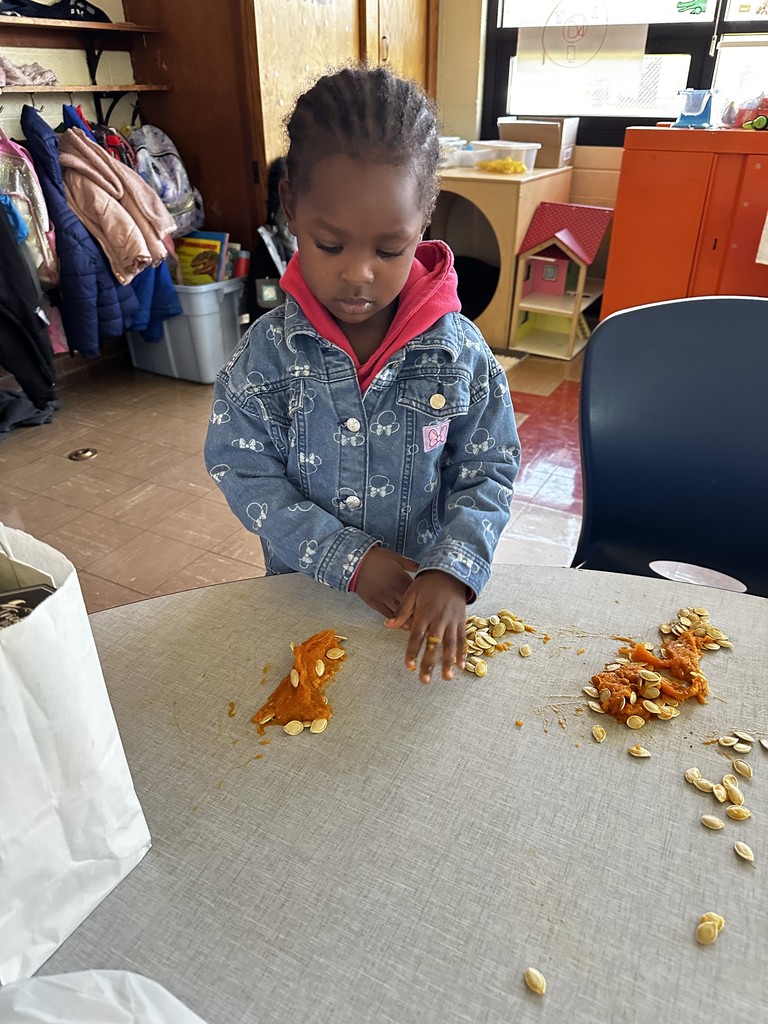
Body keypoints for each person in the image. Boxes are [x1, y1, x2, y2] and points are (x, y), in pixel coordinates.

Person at [204, 65, 521, 684]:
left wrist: (453, 568)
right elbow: (241, 470)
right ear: (292, 208)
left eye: (387, 250)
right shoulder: (265, 357)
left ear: (424, 217)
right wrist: (348, 557)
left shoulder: (461, 356)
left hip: (418, 612)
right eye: (329, 245)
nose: (357, 275)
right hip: (300, 599)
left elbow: (489, 468)